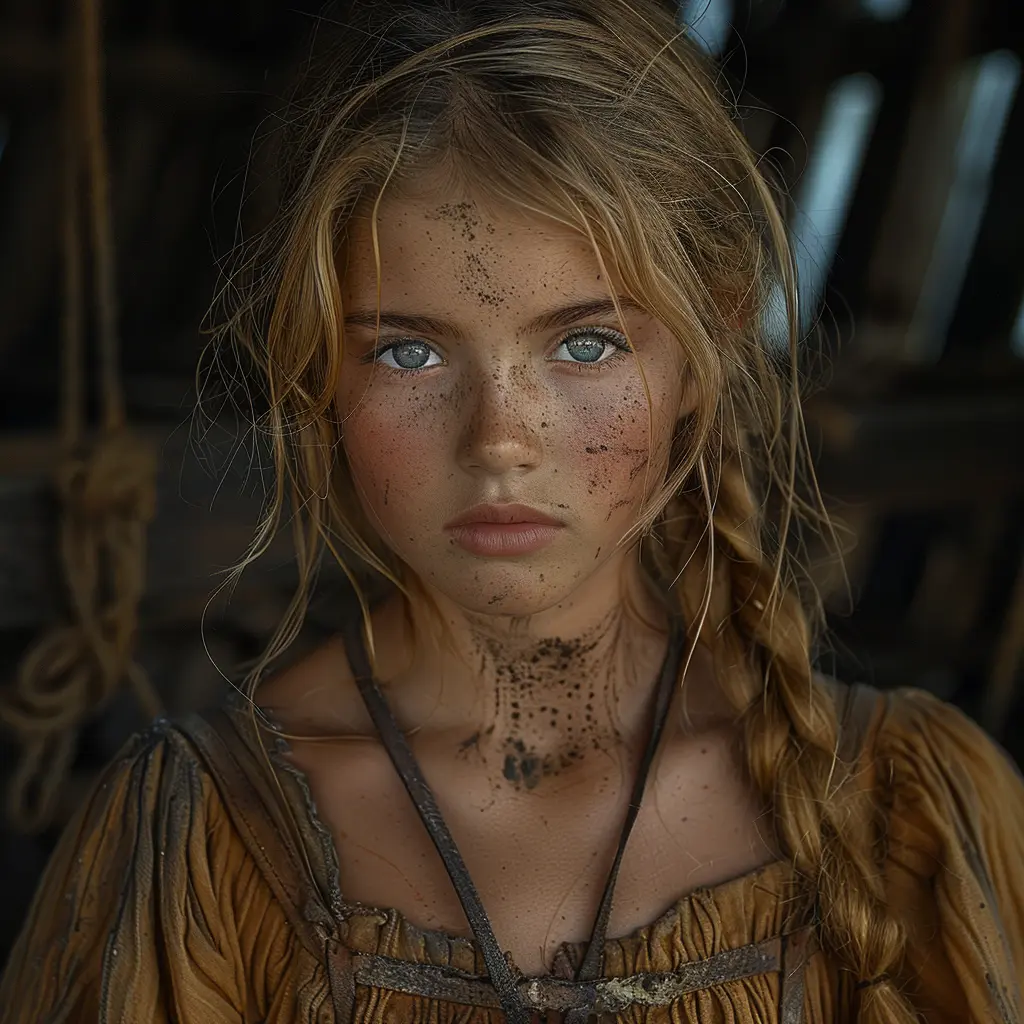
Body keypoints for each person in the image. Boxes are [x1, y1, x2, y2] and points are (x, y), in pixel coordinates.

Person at [3, 0, 1023, 1021]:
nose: (499, 437)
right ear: (320, 373)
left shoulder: (914, 814)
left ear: (700, 358)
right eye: (409, 349)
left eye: (586, 343)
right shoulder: (197, 840)